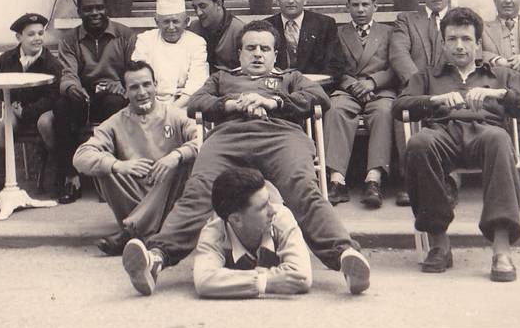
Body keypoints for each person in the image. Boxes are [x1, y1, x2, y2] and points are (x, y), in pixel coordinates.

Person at [121, 20, 371, 297]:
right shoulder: (222, 78)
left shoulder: (290, 77)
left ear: (276, 54)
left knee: (303, 188)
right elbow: (195, 103)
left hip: (280, 136)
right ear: (239, 52)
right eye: (250, 48)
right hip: (229, 137)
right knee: (198, 189)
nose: (257, 54)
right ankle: (156, 258)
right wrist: (227, 104)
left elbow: (318, 98)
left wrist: (273, 102)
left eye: (265, 48)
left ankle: (345, 256)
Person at [393, 7, 520, 282]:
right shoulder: (429, 76)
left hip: (485, 132)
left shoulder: (498, 75)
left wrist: (498, 94)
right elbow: (399, 105)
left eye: (466, 39)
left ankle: (501, 249)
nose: (459, 46)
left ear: (478, 44)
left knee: (499, 139)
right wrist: (433, 101)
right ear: (443, 43)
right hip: (442, 133)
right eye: (452, 39)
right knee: (418, 143)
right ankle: (438, 243)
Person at [73, 60, 199, 256]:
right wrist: (118, 165)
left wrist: (176, 155)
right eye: (134, 87)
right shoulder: (115, 122)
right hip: (136, 195)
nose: (142, 92)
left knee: (181, 162)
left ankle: (132, 233)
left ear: (155, 85)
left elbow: (203, 140)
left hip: (170, 197)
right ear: (125, 92)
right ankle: (148, 231)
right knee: (103, 165)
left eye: (146, 84)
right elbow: (81, 157)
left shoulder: (175, 116)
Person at [51, 0, 136, 204]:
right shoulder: (70, 40)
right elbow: (68, 72)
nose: (95, 13)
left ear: (106, 8)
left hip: (114, 95)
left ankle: (107, 177)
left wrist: (124, 86)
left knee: (113, 104)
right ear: (79, 12)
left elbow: (134, 69)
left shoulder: (124, 35)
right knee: (62, 107)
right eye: (88, 9)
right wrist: (72, 88)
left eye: (99, 7)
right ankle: (71, 177)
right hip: (84, 96)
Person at [322, 0, 398, 208]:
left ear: (376, 6)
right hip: (349, 89)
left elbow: (396, 66)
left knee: (384, 112)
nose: (361, 10)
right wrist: (353, 84)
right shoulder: (337, 33)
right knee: (335, 110)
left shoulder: (390, 32)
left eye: (366, 4)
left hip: (380, 90)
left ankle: (373, 179)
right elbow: (333, 66)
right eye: (355, 5)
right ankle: (337, 180)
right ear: (347, 7)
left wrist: (372, 83)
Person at [387, 0, 455, 206]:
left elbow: (467, 53)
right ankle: (411, 180)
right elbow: (398, 54)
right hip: (415, 86)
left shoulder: (461, 18)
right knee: (405, 111)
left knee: (456, 110)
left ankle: (448, 181)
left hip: (452, 86)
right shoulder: (406, 20)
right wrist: (421, 86)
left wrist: (442, 87)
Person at [193, 167, 312, 299]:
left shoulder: (281, 218)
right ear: (236, 219)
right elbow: (204, 280)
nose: (273, 210)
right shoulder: (214, 232)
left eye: (269, 201)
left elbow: (302, 277)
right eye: (263, 207)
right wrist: (263, 282)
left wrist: (230, 279)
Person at [0, 12, 61, 203]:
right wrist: (15, 104)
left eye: (40, 33)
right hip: (17, 109)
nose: (37, 39)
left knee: (46, 123)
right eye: (31, 34)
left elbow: (53, 96)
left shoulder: (51, 63)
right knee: (5, 124)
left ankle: (57, 173)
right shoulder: (6, 60)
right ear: (19, 37)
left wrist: (28, 110)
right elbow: (0, 89)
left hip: (42, 111)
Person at [131, 0, 209, 110]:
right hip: (148, 103)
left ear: (186, 22)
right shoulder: (145, 40)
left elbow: (197, 83)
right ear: (157, 22)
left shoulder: (197, 43)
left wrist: (171, 110)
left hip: (184, 105)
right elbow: (139, 77)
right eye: (166, 22)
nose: (171, 27)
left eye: (176, 21)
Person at [263, 0, 344, 84]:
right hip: (276, 88)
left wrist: (308, 86)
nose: (290, 0)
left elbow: (335, 66)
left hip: (316, 89)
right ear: (277, 0)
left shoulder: (325, 24)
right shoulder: (266, 26)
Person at [188, 0, 246, 73]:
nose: (198, 13)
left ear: (219, 4)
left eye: (203, 6)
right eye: (195, 7)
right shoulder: (193, 29)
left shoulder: (239, 31)